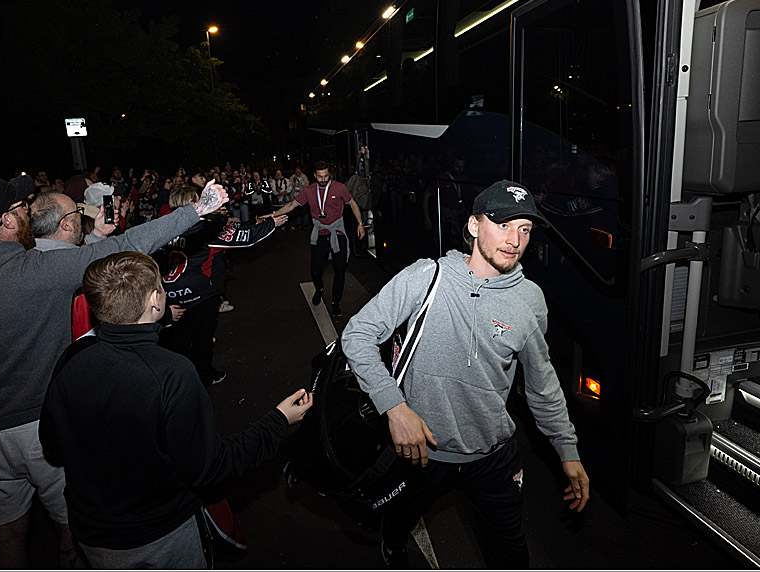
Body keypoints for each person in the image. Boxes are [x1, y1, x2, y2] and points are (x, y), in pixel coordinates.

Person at [0, 173, 229, 568]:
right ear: (7, 221)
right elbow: (124, 247)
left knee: (7, 531)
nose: (28, 211)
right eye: (21, 208)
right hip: (44, 428)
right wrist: (196, 211)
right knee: (70, 526)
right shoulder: (36, 271)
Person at [341, 179, 590, 569]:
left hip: (493, 458)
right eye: (503, 224)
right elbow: (357, 334)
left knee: (511, 560)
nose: (515, 240)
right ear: (474, 225)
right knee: (401, 516)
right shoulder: (427, 277)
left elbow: (542, 385)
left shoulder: (530, 300)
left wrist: (567, 449)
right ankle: (393, 544)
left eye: (525, 229)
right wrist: (396, 409)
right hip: (422, 450)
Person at [40, 251, 313, 568]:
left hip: (92, 535)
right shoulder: (171, 373)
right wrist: (278, 421)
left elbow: (52, 444)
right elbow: (209, 467)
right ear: (155, 300)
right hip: (159, 536)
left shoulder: (72, 359)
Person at [155, 185, 286, 386]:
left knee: (178, 340)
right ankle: (204, 377)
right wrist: (270, 223)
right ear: (190, 204)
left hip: (171, 296)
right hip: (200, 296)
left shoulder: (162, 226)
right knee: (202, 338)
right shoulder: (204, 230)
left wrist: (254, 221)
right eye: (198, 199)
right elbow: (245, 238)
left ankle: (180, 380)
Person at [270, 161, 365, 318]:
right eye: (320, 177)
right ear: (314, 175)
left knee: (340, 270)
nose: (323, 179)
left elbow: (352, 203)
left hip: (337, 232)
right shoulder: (308, 191)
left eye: (326, 176)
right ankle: (319, 288)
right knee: (315, 269)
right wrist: (273, 215)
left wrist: (360, 223)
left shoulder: (339, 188)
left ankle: (336, 303)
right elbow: (292, 205)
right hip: (320, 233)